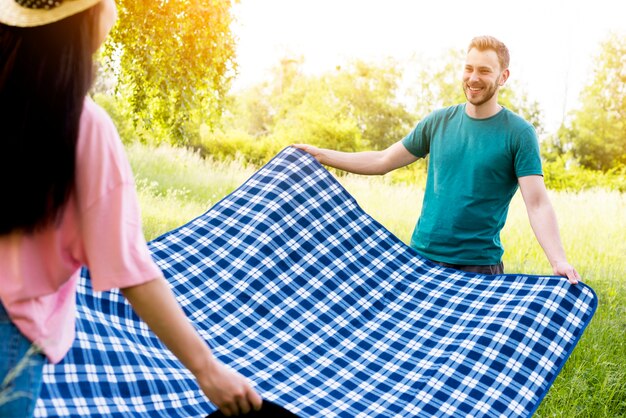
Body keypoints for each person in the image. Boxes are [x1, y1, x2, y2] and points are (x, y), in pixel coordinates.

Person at [0, 1, 262, 417]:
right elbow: (132, 271)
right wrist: (207, 369)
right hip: (11, 334)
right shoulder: (84, 127)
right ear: (88, 19)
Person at [295, 35, 580, 285]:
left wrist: (558, 261)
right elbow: (382, 160)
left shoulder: (519, 133)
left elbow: (538, 203)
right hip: (421, 259)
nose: (473, 78)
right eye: (468, 68)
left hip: (478, 266)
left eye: (484, 70)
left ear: (503, 77)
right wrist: (322, 156)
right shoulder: (438, 122)